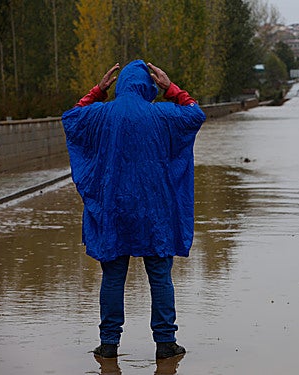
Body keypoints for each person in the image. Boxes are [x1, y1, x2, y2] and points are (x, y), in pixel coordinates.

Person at [62, 60, 206, 359]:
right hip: (156, 213)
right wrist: (172, 89)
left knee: (112, 278)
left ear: (121, 84)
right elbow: (195, 114)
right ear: (149, 86)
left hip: (113, 210)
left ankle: (109, 344)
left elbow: (72, 117)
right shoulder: (162, 114)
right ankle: (165, 344)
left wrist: (98, 91)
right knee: (160, 277)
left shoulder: (101, 115)